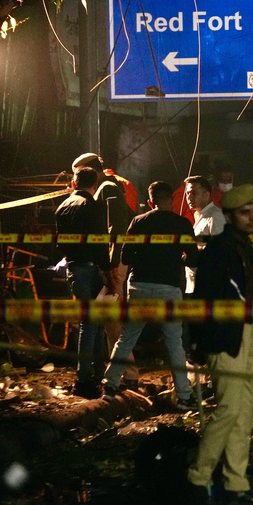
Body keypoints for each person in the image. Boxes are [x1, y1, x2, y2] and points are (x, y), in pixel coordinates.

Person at [186, 183, 253, 505]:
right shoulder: (219, 251)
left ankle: (236, 485)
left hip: (247, 333)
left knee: (244, 414)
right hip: (225, 337)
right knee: (231, 409)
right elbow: (202, 299)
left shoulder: (243, 246)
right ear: (229, 216)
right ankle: (198, 477)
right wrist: (198, 342)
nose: (252, 217)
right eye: (245, 213)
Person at [103, 181, 200, 410]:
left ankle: (109, 385)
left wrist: (145, 257)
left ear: (149, 202)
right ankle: (184, 396)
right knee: (174, 343)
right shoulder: (182, 223)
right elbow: (194, 259)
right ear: (172, 200)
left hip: (140, 287)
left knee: (127, 338)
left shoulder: (138, 221)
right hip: (169, 288)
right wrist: (178, 258)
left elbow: (126, 257)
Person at [72, 152, 139, 388]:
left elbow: (116, 229)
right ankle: (121, 373)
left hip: (115, 261)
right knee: (110, 320)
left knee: (113, 319)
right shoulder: (108, 187)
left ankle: (128, 375)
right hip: (112, 259)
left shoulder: (108, 188)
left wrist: (112, 265)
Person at [54, 167, 111, 399]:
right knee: (92, 324)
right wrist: (108, 270)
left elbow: (60, 243)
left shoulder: (62, 206)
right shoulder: (93, 205)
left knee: (89, 323)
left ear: (75, 182)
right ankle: (86, 378)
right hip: (91, 269)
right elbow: (100, 241)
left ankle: (93, 376)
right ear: (95, 185)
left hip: (74, 268)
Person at [183, 174, 226, 294]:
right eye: (187, 193)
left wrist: (192, 251)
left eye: (194, 193)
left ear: (206, 195)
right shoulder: (200, 217)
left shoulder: (215, 216)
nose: (189, 197)